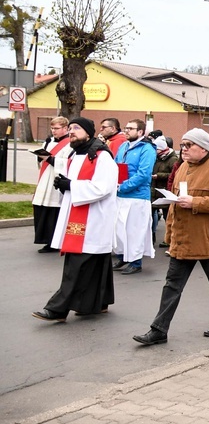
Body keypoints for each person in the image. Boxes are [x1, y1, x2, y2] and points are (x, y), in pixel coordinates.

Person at [133, 129, 209, 345]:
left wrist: (195, 202)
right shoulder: (182, 167)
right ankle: (158, 329)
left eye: (189, 145)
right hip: (183, 238)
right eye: (183, 144)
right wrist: (170, 233)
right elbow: (176, 202)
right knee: (172, 285)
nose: (184, 149)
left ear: (203, 147)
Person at [32, 117, 117, 322]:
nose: (71, 132)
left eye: (76, 128)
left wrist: (72, 186)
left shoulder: (100, 156)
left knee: (77, 263)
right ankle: (98, 303)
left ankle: (58, 309)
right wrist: (64, 184)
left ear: (89, 132)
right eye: (69, 128)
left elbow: (103, 187)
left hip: (94, 217)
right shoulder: (77, 153)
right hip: (79, 212)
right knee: (98, 260)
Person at [113, 119, 157, 275]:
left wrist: (124, 186)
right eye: (126, 128)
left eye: (130, 128)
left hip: (137, 197)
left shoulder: (147, 149)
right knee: (118, 229)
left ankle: (135, 262)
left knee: (134, 231)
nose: (126, 131)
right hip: (120, 194)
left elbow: (143, 174)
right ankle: (122, 256)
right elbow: (115, 166)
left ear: (140, 132)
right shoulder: (123, 146)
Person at [32, 117, 71, 253]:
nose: (53, 131)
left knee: (53, 212)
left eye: (56, 128)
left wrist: (49, 158)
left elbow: (68, 163)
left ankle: (54, 242)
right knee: (41, 208)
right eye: (52, 128)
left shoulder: (70, 143)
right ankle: (45, 239)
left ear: (65, 128)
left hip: (56, 180)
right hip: (44, 178)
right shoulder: (48, 141)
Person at [150, 136, 178, 245]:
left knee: (168, 217)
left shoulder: (172, 159)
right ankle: (151, 237)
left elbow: (173, 174)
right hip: (154, 190)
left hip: (166, 191)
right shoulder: (156, 157)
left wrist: (159, 176)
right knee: (151, 216)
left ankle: (170, 239)